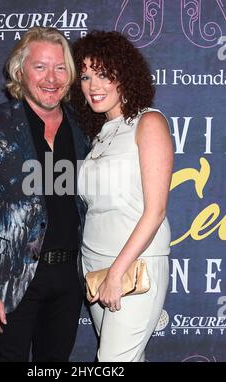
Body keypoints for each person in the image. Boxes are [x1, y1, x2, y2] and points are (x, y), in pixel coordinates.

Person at [0, 26, 89, 362]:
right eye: (40, 67)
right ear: (20, 71)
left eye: (60, 68)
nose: (51, 78)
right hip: (9, 279)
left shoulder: (83, 127)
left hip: (68, 279)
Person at [71, 30, 174, 362]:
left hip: (133, 267)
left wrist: (117, 272)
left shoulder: (149, 122)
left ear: (124, 74)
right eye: (85, 76)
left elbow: (155, 212)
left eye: (103, 73)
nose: (93, 85)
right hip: (94, 268)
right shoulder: (101, 134)